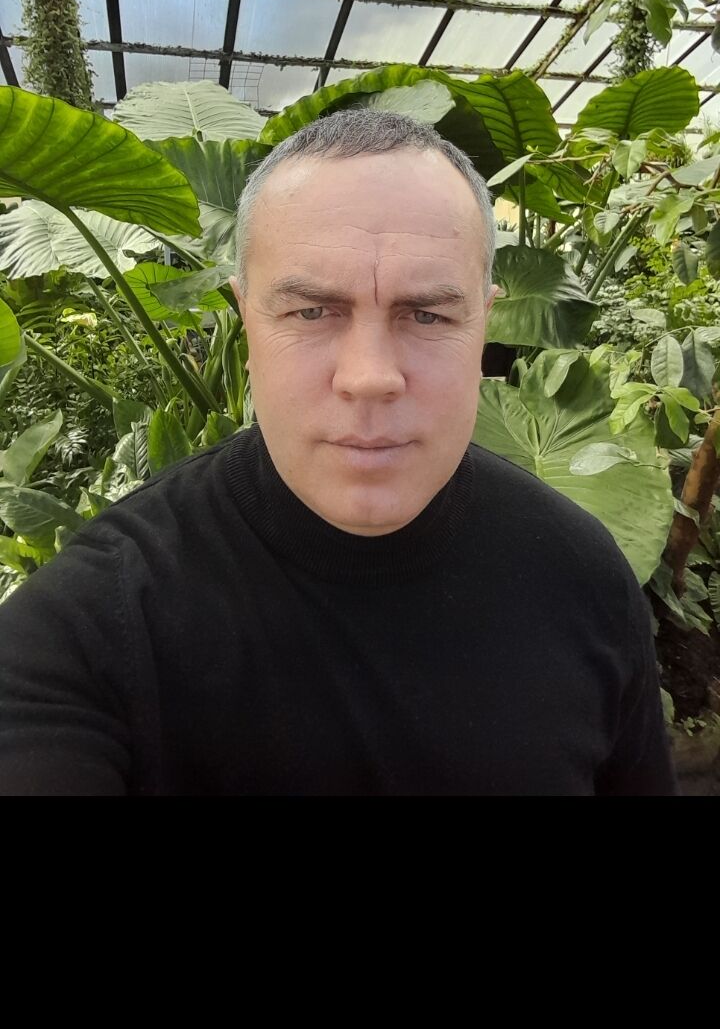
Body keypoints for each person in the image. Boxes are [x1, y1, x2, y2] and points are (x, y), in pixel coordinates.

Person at [0, 109, 677, 795]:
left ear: (484, 323)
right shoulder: (91, 631)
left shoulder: (582, 574)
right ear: (247, 322)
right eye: (311, 312)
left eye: (428, 314)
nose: (370, 377)